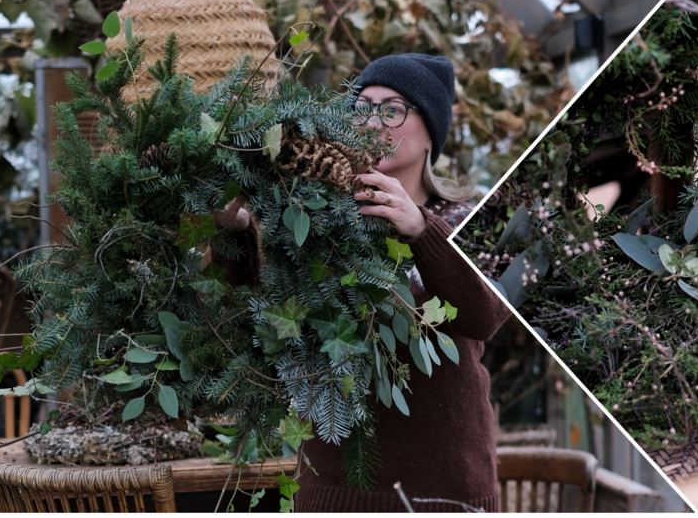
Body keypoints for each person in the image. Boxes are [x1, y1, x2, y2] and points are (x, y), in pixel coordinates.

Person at [212, 54, 512, 512]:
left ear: (431, 134)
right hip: (333, 487)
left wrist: (422, 230)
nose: (373, 122)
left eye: (392, 110)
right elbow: (255, 323)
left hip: (443, 488)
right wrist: (235, 234)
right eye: (363, 107)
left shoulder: (466, 217)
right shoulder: (317, 217)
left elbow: (485, 316)